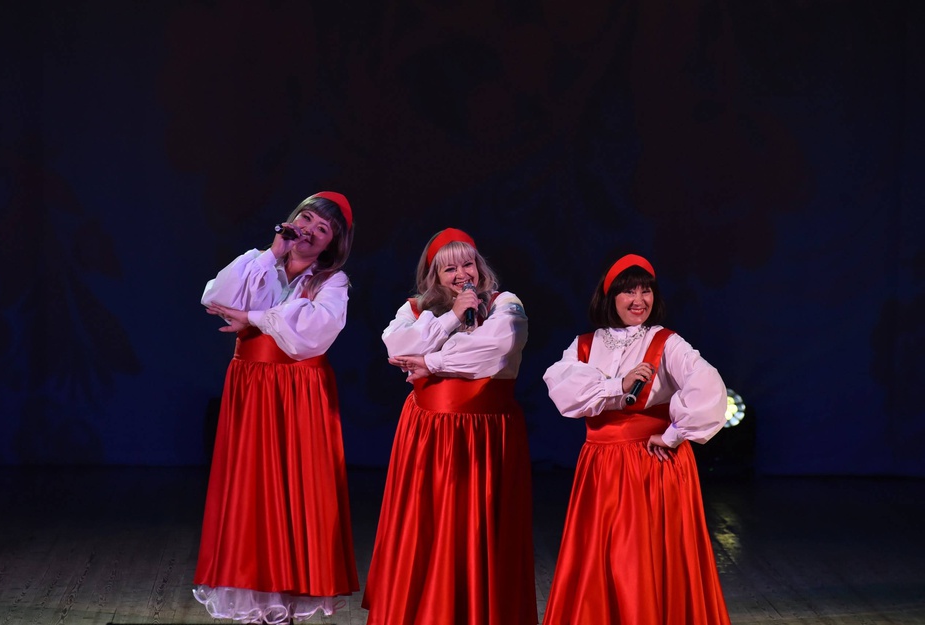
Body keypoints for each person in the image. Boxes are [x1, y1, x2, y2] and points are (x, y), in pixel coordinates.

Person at [194, 192, 359, 624]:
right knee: (252, 486)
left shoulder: (331, 282)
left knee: (297, 486)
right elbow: (216, 296)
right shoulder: (258, 262)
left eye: (323, 229)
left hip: (299, 390)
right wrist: (272, 254)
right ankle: (254, 587)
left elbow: (313, 332)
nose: (310, 230)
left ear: (332, 244)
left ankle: (292, 588)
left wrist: (255, 318)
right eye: (307, 219)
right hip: (252, 386)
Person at [542, 253, 731, 625]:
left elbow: (709, 387)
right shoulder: (584, 345)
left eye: (646, 290)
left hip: (650, 465)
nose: (639, 300)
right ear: (610, 296)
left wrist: (674, 434)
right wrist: (619, 384)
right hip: (601, 465)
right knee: (600, 557)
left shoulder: (666, 342)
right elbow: (564, 390)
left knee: (641, 559)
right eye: (629, 291)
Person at [362, 228, 538, 625]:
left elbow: (494, 350)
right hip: (427, 434)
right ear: (434, 276)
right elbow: (398, 348)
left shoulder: (504, 303)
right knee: (425, 526)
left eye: (468, 264)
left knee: (478, 530)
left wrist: (432, 361)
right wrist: (453, 318)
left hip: (485, 436)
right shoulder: (415, 309)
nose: (462, 275)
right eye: (449, 269)